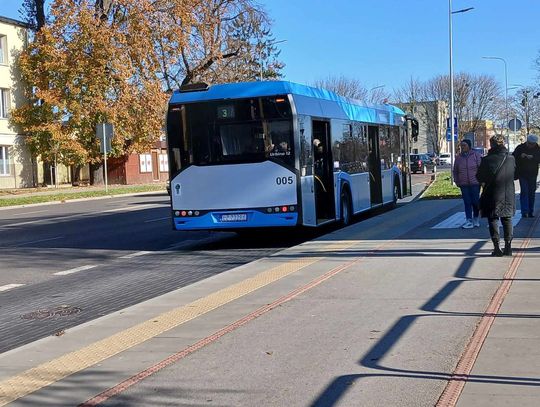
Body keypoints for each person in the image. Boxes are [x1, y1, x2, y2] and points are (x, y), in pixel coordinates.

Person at [477, 134, 516, 256]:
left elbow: (479, 177)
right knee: (507, 219)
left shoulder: (486, 160)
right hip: (507, 193)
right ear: (503, 143)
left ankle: (497, 248)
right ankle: (508, 247)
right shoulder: (511, 158)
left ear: (491, 144)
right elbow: (516, 174)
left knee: (493, 219)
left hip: (491, 193)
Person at [453, 139, 482, 228]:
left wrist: (481, 180)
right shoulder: (458, 158)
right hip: (464, 183)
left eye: (464, 145)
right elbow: (455, 170)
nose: (462, 147)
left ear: (469, 146)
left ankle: (476, 218)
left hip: (475, 183)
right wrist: (456, 180)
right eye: (461, 146)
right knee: (467, 202)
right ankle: (468, 220)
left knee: (475, 202)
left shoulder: (476, 155)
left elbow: (480, 168)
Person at [512, 134, 540, 218]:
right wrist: (520, 156)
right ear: (527, 141)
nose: (531, 145)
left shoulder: (538, 149)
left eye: (532, 144)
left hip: (533, 174)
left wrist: (533, 157)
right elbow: (513, 157)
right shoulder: (520, 148)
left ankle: (530, 211)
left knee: (531, 192)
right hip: (522, 173)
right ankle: (525, 211)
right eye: (529, 143)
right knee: (524, 191)